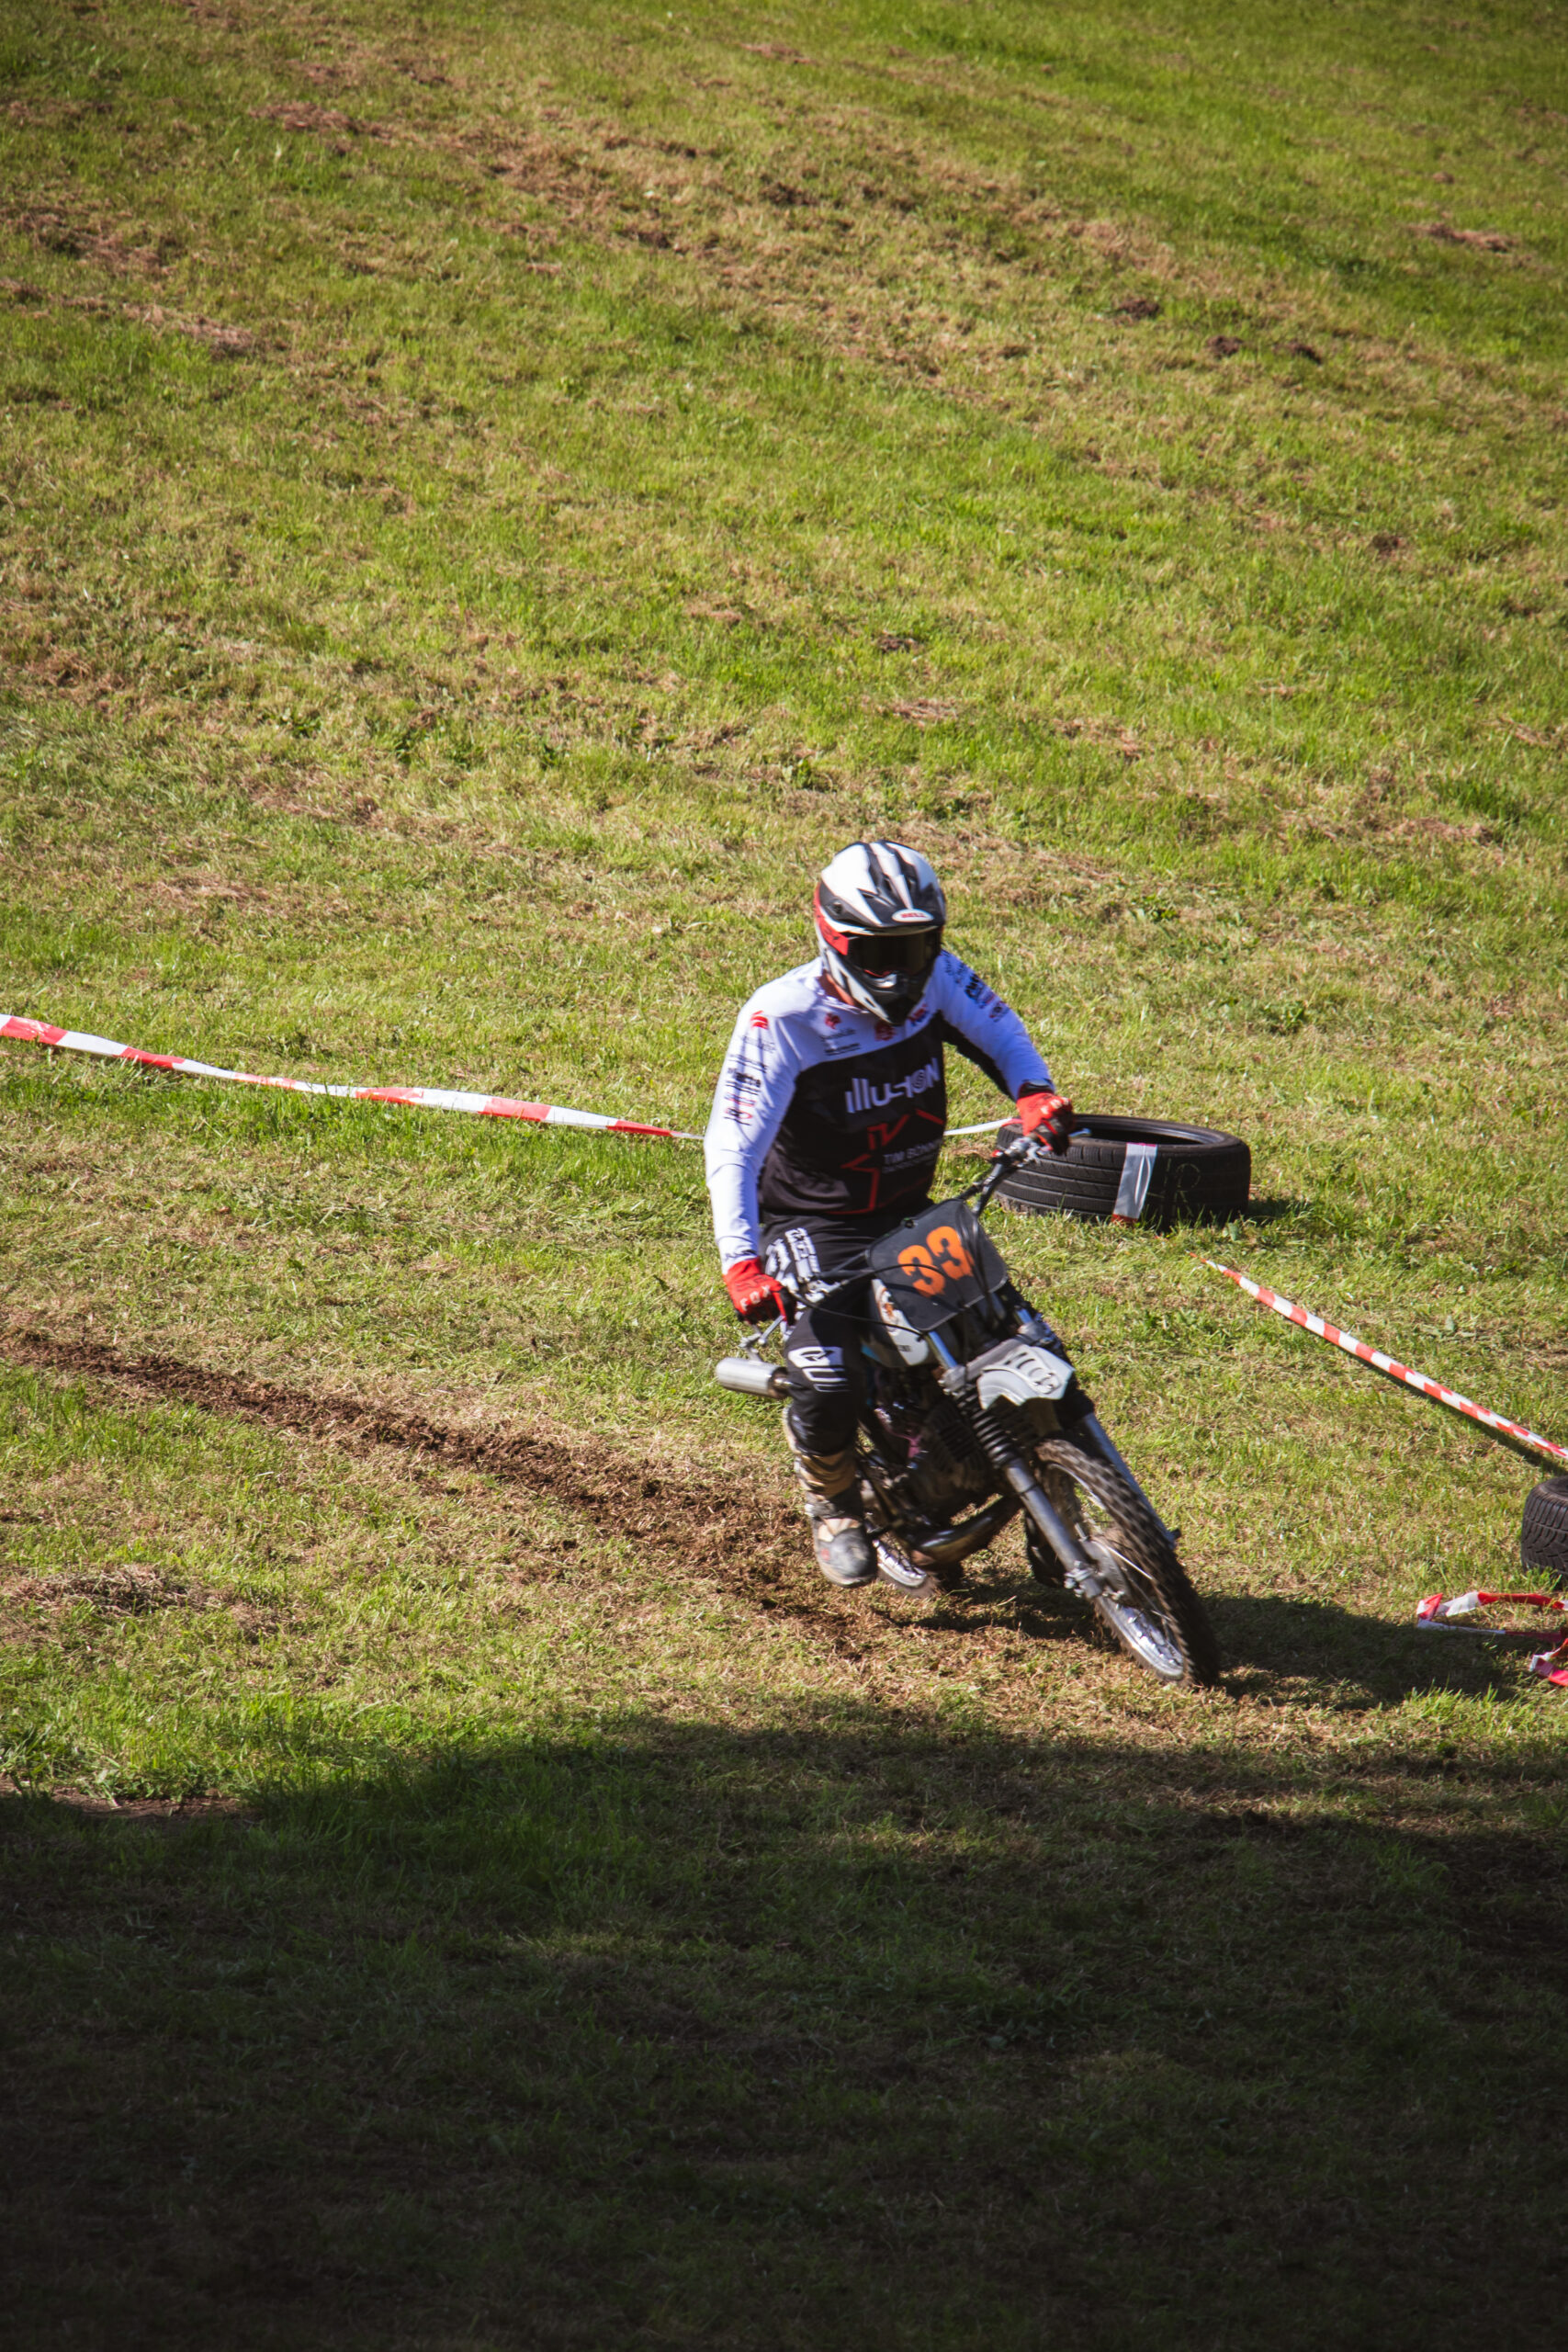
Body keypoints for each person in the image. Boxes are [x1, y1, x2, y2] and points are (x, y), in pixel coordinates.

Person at [704, 840, 1072, 1588]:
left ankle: (1061, 1498)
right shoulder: (782, 1018)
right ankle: (833, 1502)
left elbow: (998, 1028)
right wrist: (741, 1263)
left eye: (915, 948)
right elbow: (732, 1145)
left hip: (908, 1211)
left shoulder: (939, 977)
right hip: (811, 1224)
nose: (901, 973)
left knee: (1022, 1339)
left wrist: (1033, 1090)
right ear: (834, 939)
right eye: (878, 953)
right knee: (828, 1378)